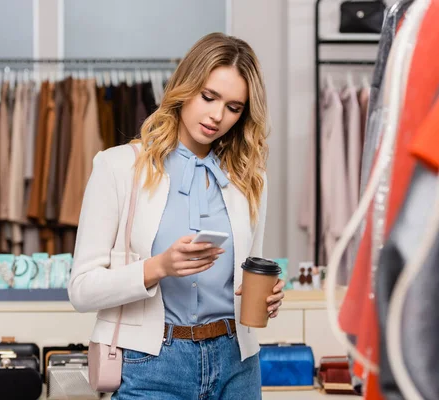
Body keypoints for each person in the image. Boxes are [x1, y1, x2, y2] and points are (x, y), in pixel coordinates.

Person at [68, 32, 285, 400]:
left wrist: (267, 295)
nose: (217, 116)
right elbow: (81, 290)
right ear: (185, 87)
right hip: (152, 365)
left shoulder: (251, 178)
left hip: (238, 364)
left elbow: (247, 273)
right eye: (208, 97)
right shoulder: (118, 168)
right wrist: (160, 266)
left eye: (233, 107)